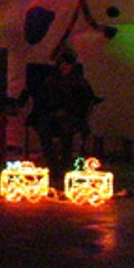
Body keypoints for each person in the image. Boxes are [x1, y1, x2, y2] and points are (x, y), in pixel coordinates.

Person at [27, 46, 99, 188]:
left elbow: (85, 102)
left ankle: (65, 164)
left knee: (66, 128)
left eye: (67, 64)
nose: (64, 67)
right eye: (62, 64)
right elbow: (42, 101)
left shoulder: (80, 83)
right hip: (51, 116)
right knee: (44, 128)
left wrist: (72, 112)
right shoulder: (50, 82)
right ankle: (53, 165)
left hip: (71, 117)